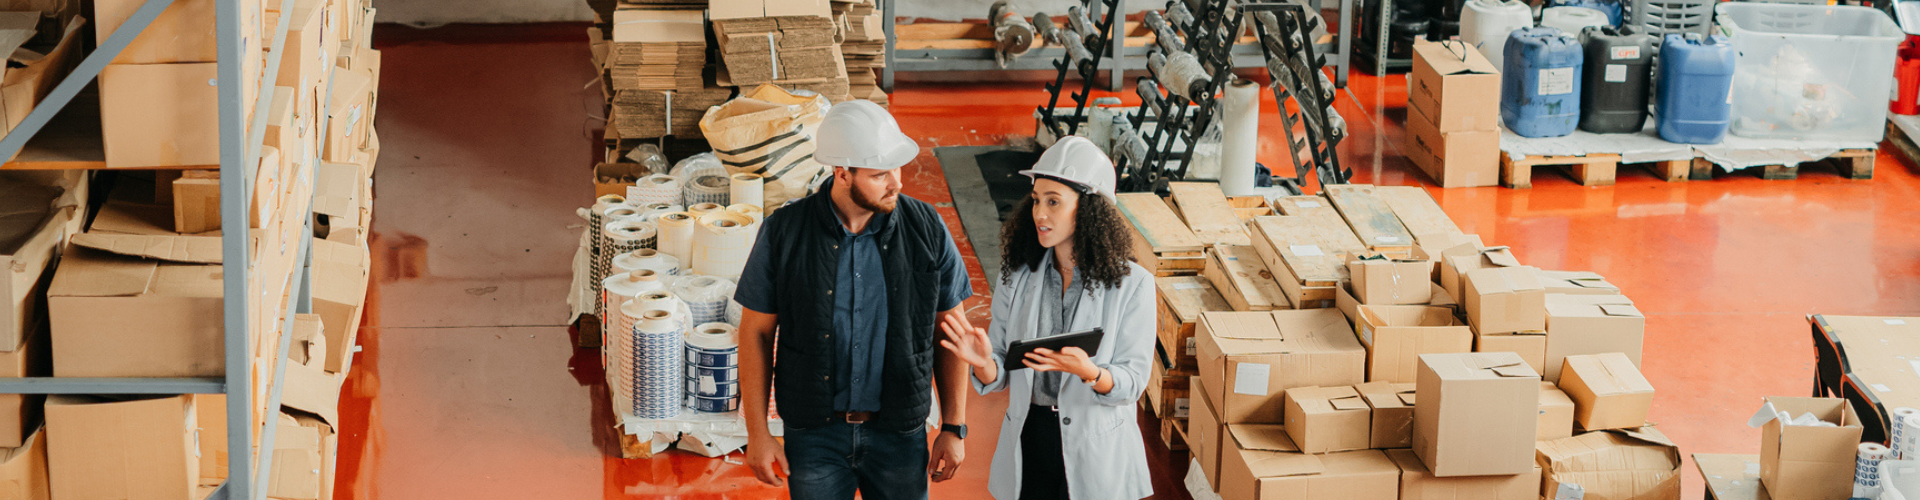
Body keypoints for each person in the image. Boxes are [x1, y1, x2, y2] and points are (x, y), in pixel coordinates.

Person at [735, 100, 975, 500]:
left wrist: (954, 427)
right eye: (880, 174)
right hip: (815, 436)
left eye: (896, 168)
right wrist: (757, 433)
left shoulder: (927, 228)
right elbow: (756, 333)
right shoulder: (784, 233)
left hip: (898, 432)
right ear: (842, 173)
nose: (896, 182)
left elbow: (953, 333)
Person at [939, 136, 1156, 500]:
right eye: (1037, 200)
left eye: (1054, 202)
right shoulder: (1017, 276)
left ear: (1089, 209)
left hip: (1095, 444)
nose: (1040, 213)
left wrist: (1089, 372)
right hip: (1031, 436)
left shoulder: (1133, 286)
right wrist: (982, 365)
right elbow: (1001, 368)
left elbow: (1133, 381)